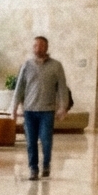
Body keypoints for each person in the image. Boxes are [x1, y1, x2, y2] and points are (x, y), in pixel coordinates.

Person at [12, 36, 69, 180]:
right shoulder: (26, 65)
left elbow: (62, 88)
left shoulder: (56, 66)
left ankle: (46, 164)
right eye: (36, 46)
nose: (38, 48)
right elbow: (19, 88)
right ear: (33, 48)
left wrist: (63, 107)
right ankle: (33, 168)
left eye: (42, 45)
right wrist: (14, 108)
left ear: (47, 47)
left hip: (47, 111)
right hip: (29, 110)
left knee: (46, 140)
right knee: (31, 142)